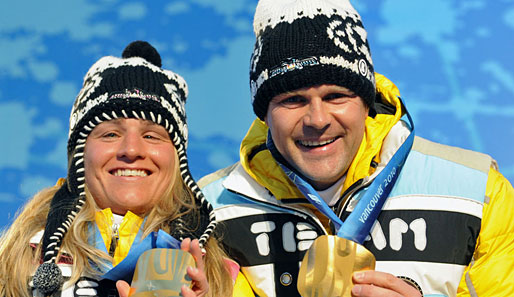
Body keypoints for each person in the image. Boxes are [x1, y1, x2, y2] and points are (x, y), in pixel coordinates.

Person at [199, 0, 514, 296]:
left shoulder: (477, 192)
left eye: (336, 96)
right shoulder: (206, 211)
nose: (317, 119)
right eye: (293, 100)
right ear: (264, 115)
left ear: (367, 101)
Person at [0, 41, 250, 297]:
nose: (131, 150)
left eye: (152, 136)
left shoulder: (219, 276)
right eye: (110, 134)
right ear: (79, 155)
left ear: (177, 160)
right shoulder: (19, 257)